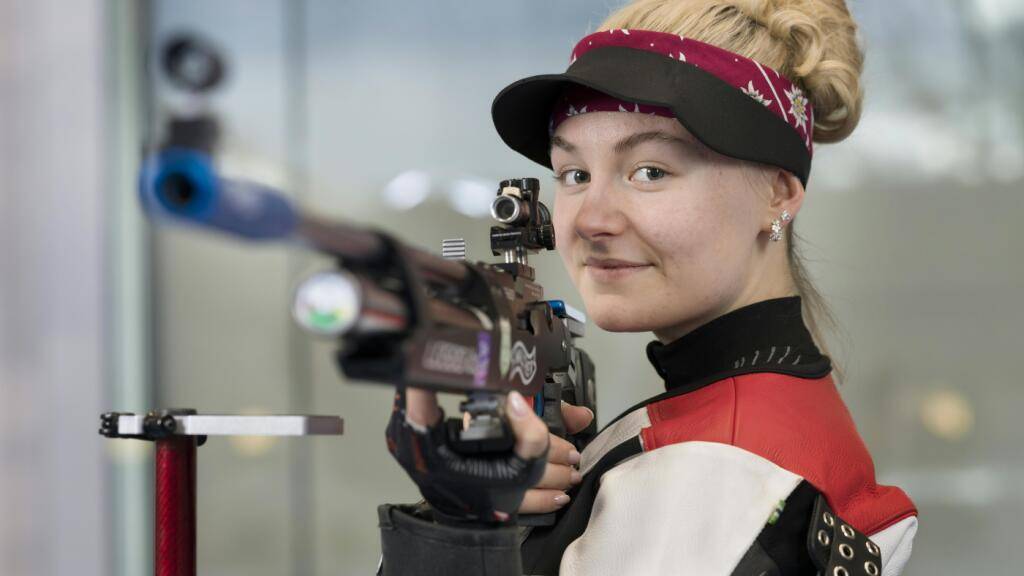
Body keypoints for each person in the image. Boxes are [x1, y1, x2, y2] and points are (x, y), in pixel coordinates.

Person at [377, 1, 919, 574]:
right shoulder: (769, 415)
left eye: (650, 171)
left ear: (777, 194)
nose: (591, 219)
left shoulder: (716, 473)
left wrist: (462, 537)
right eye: (574, 175)